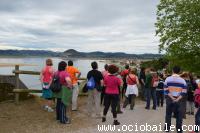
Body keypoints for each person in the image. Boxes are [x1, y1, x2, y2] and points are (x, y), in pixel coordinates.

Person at [164, 66, 187, 133]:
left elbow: (166, 90)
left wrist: (172, 97)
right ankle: (179, 129)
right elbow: (184, 92)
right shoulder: (183, 80)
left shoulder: (167, 79)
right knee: (179, 115)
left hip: (169, 98)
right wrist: (177, 99)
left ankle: (167, 128)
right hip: (179, 99)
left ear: (172, 70)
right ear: (179, 71)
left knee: (168, 114)